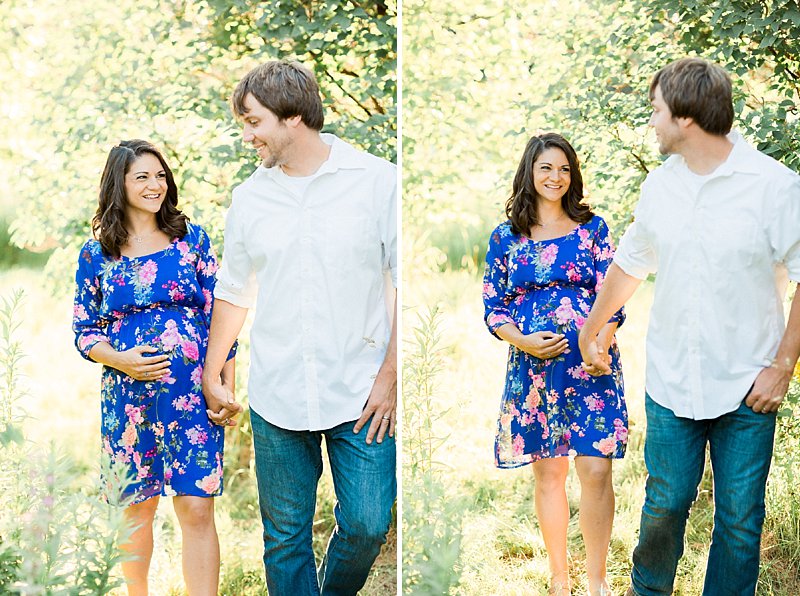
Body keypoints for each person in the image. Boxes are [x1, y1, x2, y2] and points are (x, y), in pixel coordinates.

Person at [579, 57, 800, 596]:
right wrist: (593, 328)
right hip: (673, 379)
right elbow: (630, 261)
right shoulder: (661, 187)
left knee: (740, 522)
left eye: (655, 110)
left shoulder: (774, 186)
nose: (650, 122)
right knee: (664, 506)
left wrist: (782, 368)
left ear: (685, 118)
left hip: (749, 384)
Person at [200, 60, 397, 595]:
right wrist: (213, 369)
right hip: (278, 390)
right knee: (284, 536)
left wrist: (391, 374)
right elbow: (234, 290)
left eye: (253, 122)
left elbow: (403, 280)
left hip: (361, 389)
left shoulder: (377, 181)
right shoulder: (250, 198)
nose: (246, 136)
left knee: (367, 524)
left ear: (292, 117)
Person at [73, 139, 236, 596]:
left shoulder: (193, 240)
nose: (154, 185)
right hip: (126, 399)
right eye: (141, 176)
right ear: (118, 184)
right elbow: (85, 331)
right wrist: (121, 359)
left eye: (160, 175)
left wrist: (223, 386)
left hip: (190, 394)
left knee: (197, 507)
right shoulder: (96, 253)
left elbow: (223, 315)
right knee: (135, 508)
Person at [483, 132, 627, 595]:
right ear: (529, 172)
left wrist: (599, 343)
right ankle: (560, 579)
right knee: (549, 473)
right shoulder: (506, 237)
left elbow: (615, 296)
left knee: (596, 469)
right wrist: (522, 340)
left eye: (564, 169)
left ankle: (597, 581)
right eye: (546, 167)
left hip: (591, 365)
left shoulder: (593, 229)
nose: (555, 177)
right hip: (535, 372)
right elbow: (493, 306)